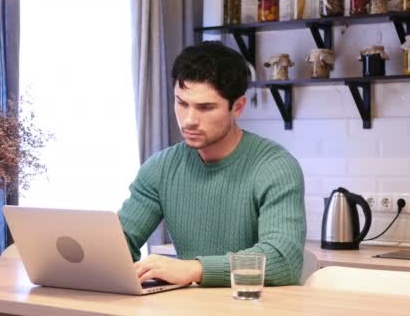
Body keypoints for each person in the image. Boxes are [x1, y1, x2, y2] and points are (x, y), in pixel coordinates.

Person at [118, 41, 306, 287]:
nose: (189, 120)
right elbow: (120, 242)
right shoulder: (160, 168)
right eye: (182, 103)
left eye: (205, 108)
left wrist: (195, 269)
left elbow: (283, 260)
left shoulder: (275, 167)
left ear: (237, 107)